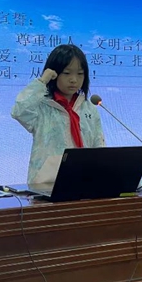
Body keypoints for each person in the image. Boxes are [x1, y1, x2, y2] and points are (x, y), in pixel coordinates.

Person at [11, 44, 105, 186]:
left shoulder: (89, 108)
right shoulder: (41, 105)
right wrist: (43, 81)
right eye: (67, 73)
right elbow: (19, 111)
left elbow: (98, 146)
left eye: (80, 74)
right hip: (46, 184)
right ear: (54, 73)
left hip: (83, 182)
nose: (74, 79)